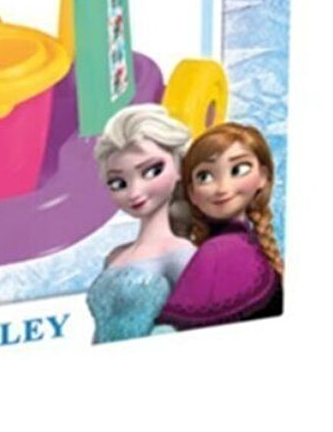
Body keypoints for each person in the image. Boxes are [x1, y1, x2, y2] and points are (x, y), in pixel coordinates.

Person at [85, 106, 196, 343]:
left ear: (179, 167)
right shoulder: (114, 257)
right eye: (118, 183)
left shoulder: (180, 255)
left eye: (152, 171)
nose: (135, 192)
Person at [159, 123, 283, 330]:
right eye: (205, 176)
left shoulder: (217, 252)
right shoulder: (251, 244)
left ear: (263, 176)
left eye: (238, 170)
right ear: (192, 193)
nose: (222, 188)